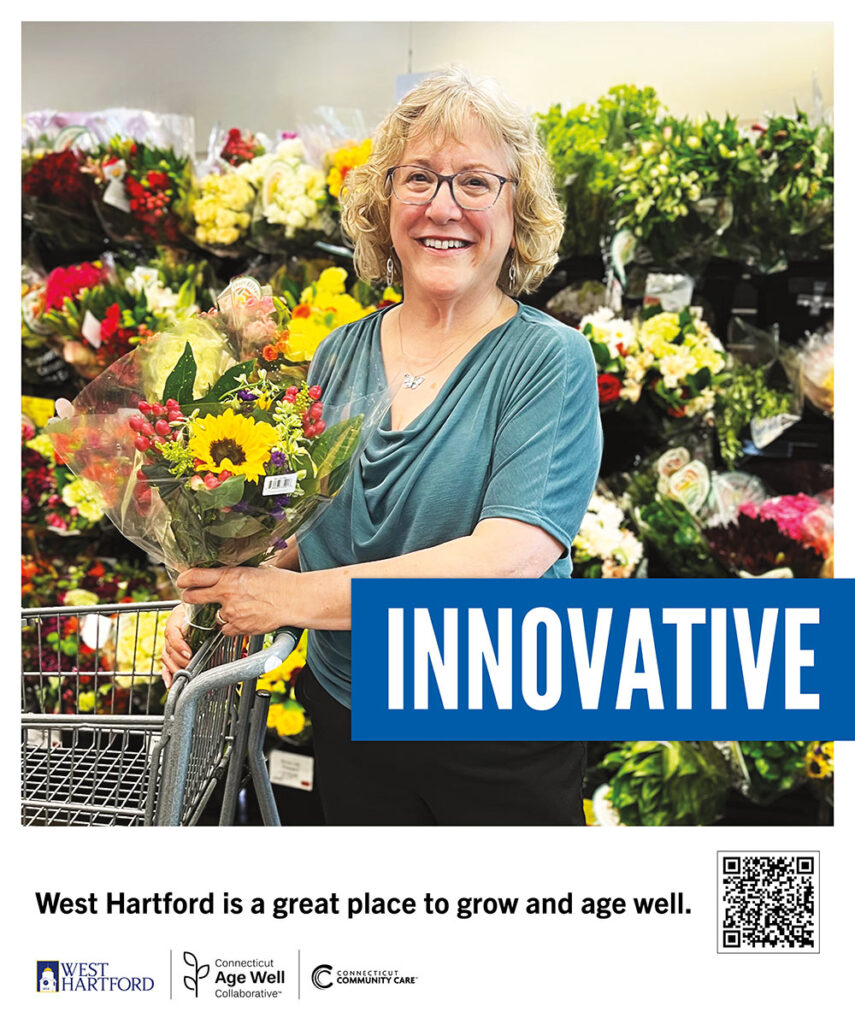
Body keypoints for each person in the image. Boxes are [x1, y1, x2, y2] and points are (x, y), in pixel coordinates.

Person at [162, 67, 602, 825]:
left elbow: (508, 559)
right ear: (382, 203)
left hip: (494, 727)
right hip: (348, 702)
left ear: (516, 209)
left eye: (475, 183)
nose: (443, 207)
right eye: (419, 178)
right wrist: (226, 591)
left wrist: (291, 601)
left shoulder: (548, 361)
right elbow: (309, 526)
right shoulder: (339, 354)